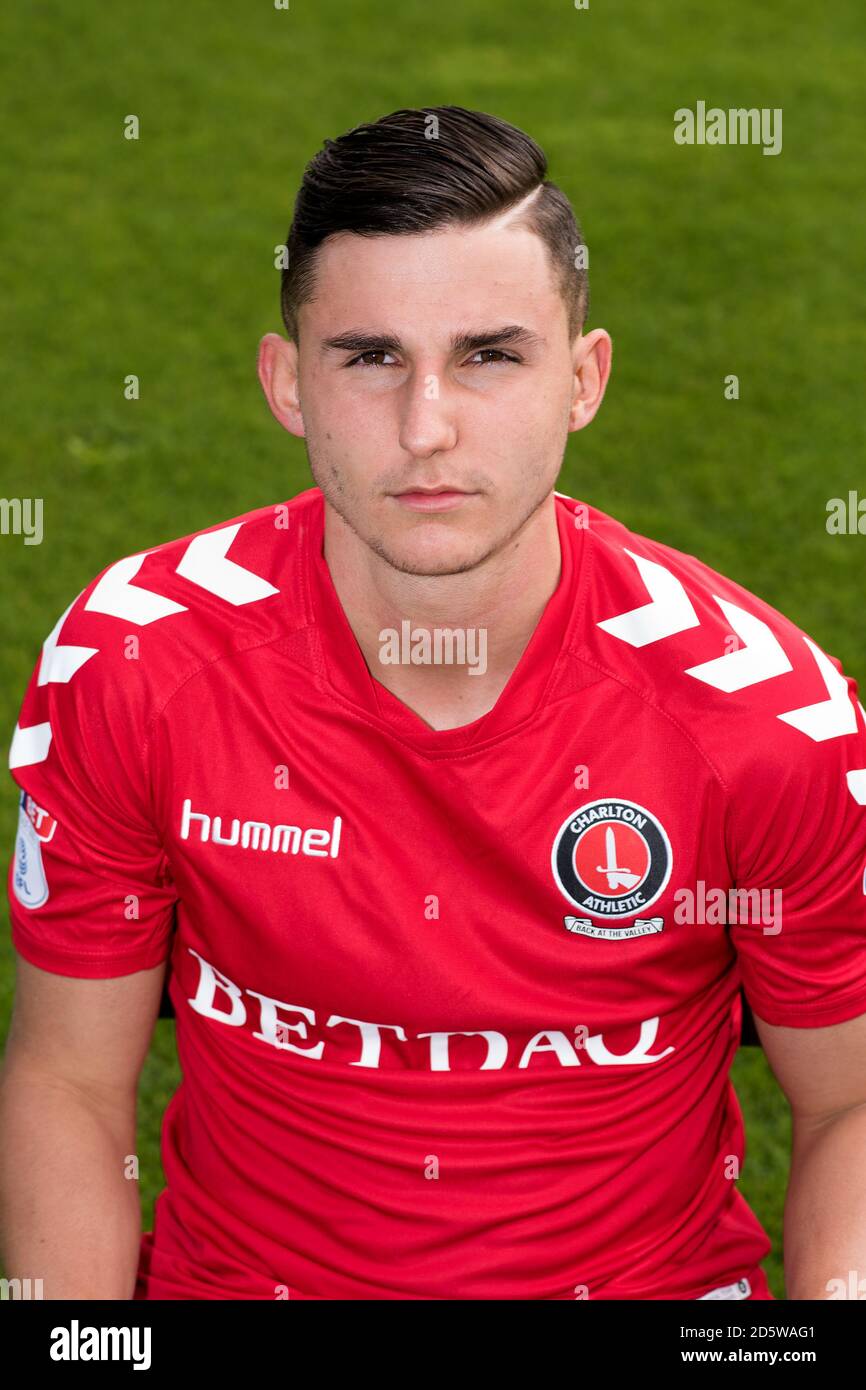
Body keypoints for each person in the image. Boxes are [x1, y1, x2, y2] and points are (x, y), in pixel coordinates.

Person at [3, 105, 865, 1301]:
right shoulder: (133, 662)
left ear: (583, 379)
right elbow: (69, 1083)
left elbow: (850, 1103)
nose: (426, 428)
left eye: (488, 355)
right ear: (287, 382)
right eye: (369, 358)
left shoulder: (762, 723)